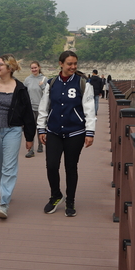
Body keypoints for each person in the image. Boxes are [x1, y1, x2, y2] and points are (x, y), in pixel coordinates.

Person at [0, 54, 36, 219]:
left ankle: (3, 203)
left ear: (9, 68)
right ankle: (4, 191)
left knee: (9, 167)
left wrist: (29, 137)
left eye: (0, 64)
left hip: (13, 130)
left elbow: (28, 115)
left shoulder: (20, 88)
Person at [37, 50, 96, 217]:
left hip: (75, 132)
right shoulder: (51, 83)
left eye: (75, 64)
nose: (73, 66)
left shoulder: (83, 83)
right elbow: (44, 107)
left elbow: (89, 110)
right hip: (54, 131)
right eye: (69, 64)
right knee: (52, 165)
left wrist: (90, 132)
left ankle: (71, 200)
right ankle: (56, 195)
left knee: (71, 167)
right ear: (61, 64)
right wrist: (41, 128)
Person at [23, 61, 47, 157]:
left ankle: (40, 145)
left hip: (41, 108)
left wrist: (43, 86)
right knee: (30, 129)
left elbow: (47, 93)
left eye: (35, 67)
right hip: (30, 108)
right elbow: (23, 94)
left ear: (39, 67)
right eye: (32, 68)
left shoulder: (44, 79)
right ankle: (31, 150)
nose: (34, 69)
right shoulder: (27, 80)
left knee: (40, 128)